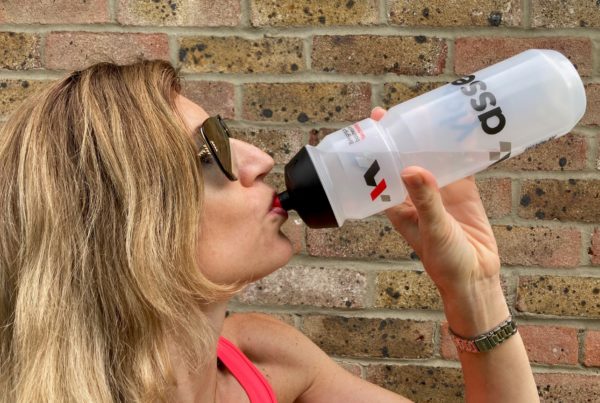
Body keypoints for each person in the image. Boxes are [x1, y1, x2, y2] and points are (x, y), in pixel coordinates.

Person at [0, 60, 539, 403]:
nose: (258, 160)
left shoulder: (267, 361)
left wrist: (473, 290)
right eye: (212, 157)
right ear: (128, 222)